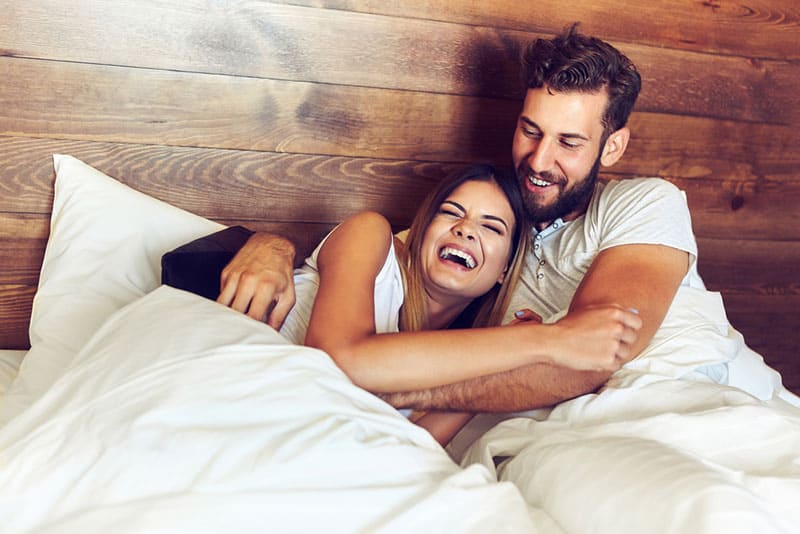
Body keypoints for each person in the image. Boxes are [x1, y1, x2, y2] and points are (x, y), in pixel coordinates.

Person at [218, 24, 779, 417]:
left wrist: (411, 398)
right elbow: (387, 253)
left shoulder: (645, 203)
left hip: (695, 394)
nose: (539, 160)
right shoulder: (502, 230)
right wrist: (273, 242)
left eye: (569, 142)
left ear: (613, 147)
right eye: (531, 131)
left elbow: (594, 355)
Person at [261, 164, 641, 445]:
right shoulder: (371, 236)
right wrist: (550, 340)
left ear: (503, 272)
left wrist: (488, 383)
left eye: (492, 227)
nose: (465, 228)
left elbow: (407, 447)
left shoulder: (454, 355)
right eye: (451, 213)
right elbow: (338, 360)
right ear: (423, 230)